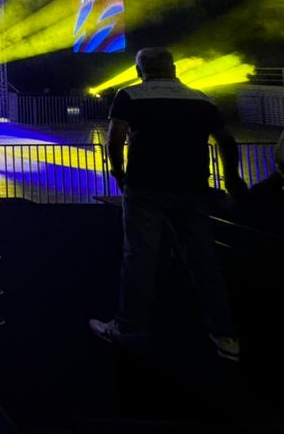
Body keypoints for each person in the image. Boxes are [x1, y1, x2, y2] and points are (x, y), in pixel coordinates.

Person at [89, 48, 247, 362]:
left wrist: (119, 174)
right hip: (193, 188)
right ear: (174, 69)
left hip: (145, 187)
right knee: (203, 260)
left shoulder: (130, 95)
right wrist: (232, 179)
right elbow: (226, 140)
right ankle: (224, 335)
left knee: (139, 257)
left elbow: (115, 137)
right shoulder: (201, 98)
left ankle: (128, 327)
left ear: (138, 71)